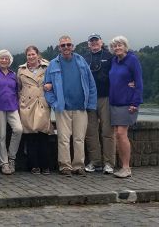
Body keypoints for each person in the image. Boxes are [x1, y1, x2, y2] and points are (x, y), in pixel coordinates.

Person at [44, 35, 97, 177]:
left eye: (68, 45)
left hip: (81, 107)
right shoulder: (53, 64)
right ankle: (65, 166)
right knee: (63, 139)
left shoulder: (81, 61)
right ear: (59, 47)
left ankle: (78, 166)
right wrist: (54, 104)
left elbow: (91, 84)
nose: (66, 47)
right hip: (63, 108)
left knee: (79, 138)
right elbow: (46, 88)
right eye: (63, 45)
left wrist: (90, 104)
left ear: (72, 46)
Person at [109, 36, 143, 178]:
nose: (117, 48)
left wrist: (135, 102)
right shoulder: (114, 61)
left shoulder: (132, 60)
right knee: (118, 135)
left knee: (122, 134)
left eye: (120, 45)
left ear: (125, 46)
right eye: (115, 46)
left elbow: (139, 82)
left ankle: (126, 168)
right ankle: (123, 166)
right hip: (115, 103)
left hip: (127, 103)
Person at [83, 33, 115, 174]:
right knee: (91, 133)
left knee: (107, 132)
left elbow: (122, 69)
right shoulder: (84, 58)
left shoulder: (110, 56)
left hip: (106, 97)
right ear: (88, 44)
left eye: (96, 41)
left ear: (101, 42)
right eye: (92, 41)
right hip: (89, 99)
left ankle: (109, 163)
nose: (94, 43)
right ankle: (95, 162)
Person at [18, 46, 52, 175]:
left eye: (33, 54)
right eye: (28, 55)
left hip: (42, 103)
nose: (31, 57)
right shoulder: (21, 70)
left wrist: (51, 85)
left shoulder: (47, 67)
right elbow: (19, 87)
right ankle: (34, 166)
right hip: (27, 105)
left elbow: (54, 80)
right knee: (31, 136)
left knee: (43, 136)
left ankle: (46, 165)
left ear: (38, 55)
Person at [0, 49, 22, 175]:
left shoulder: (13, 75)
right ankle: (4, 163)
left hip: (12, 107)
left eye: (6, 58)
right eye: (1, 58)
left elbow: (18, 91)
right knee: (1, 136)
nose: (4, 60)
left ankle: (11, 157)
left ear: (10, 60)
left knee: (18, 129)